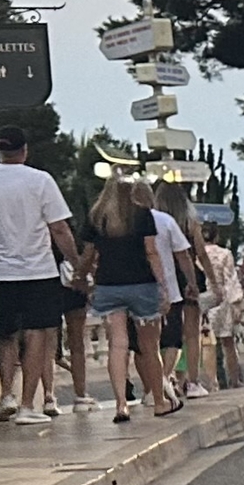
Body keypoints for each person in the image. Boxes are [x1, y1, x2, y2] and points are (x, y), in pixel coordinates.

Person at [0, 125, 77, 425]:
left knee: (5, 335)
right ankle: (29, 404)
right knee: (37, 334)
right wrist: (76, 263)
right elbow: (59, 228)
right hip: (39, 271)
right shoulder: (41, 181)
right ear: (24, 150)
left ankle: (6, 395)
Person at [86, 172, 173, 426]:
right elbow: (151, 252)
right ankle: (158, 401)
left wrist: (83, 277)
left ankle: (121, 403)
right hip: (141, 285)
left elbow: (89, 254)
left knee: (117, 345)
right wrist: (163, 286)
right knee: (150, 346)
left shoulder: (97, 218)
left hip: (108, 285)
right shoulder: (141, 215)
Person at [147, 182, 206, 400]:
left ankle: (164, 378)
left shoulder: (152, 222)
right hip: (183, 277)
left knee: (157, 333)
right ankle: (191, 381)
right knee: (190, 333)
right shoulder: (189, 224)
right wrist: (206, 281)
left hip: (161, 277)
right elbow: (198, 254)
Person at [56, 229, 97, 414]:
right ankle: (80, 393)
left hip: (46, 275)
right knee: (77, 341)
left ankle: (48, 395)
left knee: (43, 339)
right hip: (73, 278)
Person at [200, 222, 244, 389]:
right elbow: (231, 279)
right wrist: (236, 303)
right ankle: (235, 379)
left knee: (205, 342)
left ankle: (211, 381)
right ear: (216, 236)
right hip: (222, 300)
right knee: (228, 343)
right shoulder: (225, 254)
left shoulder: (197, 254)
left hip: (203, 299)